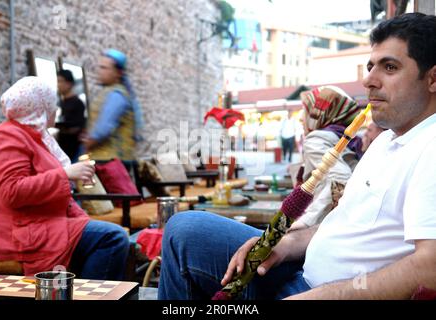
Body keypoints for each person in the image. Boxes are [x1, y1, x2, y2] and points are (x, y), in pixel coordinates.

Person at [158, 12, 436, 300]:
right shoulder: (387, 140)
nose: (369, 80)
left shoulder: (430, 147)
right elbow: (340, 224)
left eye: (389, 67)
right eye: (370, 66)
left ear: (432, 79)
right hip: (301, 272)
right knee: (184, 230)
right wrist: (286, 245)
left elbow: (430, 269)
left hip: (325, 292)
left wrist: (319, 296)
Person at [0, 77, 130, 280]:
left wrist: (82, 220)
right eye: (52, 103)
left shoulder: (34, 136)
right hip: (17, 233)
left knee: (108, 235)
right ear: (40, 106)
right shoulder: (7, 136)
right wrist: (66, 174)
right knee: (112, 238)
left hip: (41, 222)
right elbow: (13, 192)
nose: (56, 109)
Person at [288, 86, 363, 230]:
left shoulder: (316, 139)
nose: (300, 118)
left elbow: (340, 179)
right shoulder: (345, 138)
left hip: (322, 229)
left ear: (320, 113)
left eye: (305, 110)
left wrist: (306, 222)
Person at [82, 49, 143, 162]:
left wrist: (87, 144)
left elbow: (103, 129)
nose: (99, 71)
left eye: (104, 68)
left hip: (110, 161)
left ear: (118, 73)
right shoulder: (110, 92)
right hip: (106, 159)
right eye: (100, 67)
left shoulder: (117, 95)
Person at [56, 69, 86, 162]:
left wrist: (59, 126)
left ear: (69, 84)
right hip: (63, 147)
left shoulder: (77, 103)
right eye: (58, 81)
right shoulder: (61, 102)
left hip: (74, 149)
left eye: (60, 81)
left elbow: (76, 127)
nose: (58, 84)